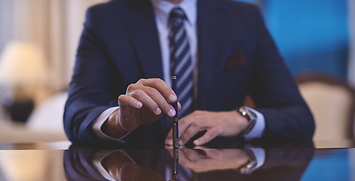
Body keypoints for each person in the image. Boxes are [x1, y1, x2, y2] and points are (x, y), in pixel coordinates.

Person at [64, 0, 315, 146]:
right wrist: (119, 120)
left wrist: (239, 119)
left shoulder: (245, 18)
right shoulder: (104, 19)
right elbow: (77, 113)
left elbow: (298, 116)